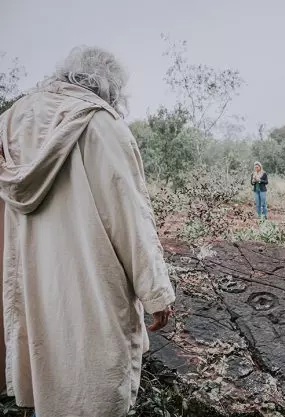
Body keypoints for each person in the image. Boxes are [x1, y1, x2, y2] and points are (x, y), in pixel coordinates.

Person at [0, 46, 175, 417]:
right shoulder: (102, 126)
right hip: (89, 289)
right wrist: (156, 292)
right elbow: (129, 216)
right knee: (91, 385)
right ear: (109, 86)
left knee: (44, 374)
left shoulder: (11, 122)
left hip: (32, 284)